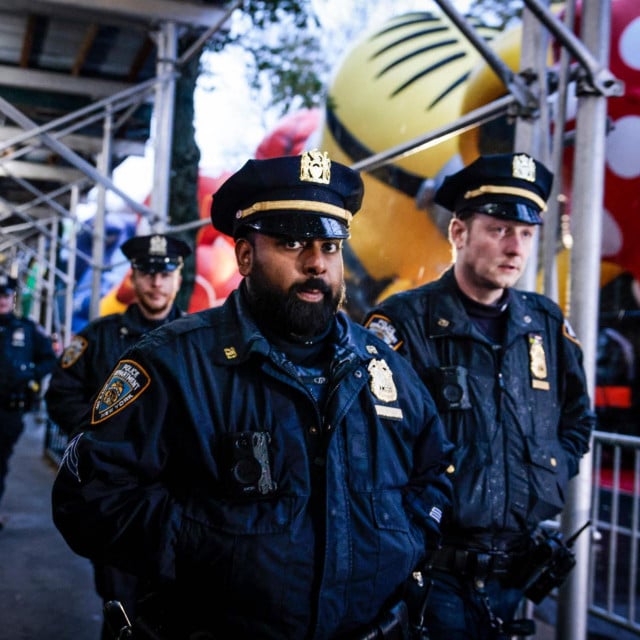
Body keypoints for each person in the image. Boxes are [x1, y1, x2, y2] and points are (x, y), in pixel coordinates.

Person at [52, 150, 453, 640]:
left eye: (329, 246)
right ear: (244, 255)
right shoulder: (173, 363)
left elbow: (434, 469)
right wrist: (214, 548)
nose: (315, 263)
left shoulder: (380, 364)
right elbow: (89, 498)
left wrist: (406, 541)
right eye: (290, 243)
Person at [363, 152, 596, 639]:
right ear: (458, 233)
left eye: (527, 234)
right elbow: (373, 445)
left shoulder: (545, 324)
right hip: (434, 571)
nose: (516, 247)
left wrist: (546, 470)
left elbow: (577, 418)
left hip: (517, 569)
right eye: (499, 230)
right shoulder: (403, 324)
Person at [45, 232, 192, 638]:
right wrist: (103, 438)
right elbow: (62, 394)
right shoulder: (98, 336)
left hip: (179, 500)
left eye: (166, 273)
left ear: (179, 277)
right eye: (147, 272)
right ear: (134, 277)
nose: (157, 283)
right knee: (122, 610)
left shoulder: (201, 339)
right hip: (117, 501)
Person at [0, 272, 56, 529]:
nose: (1, 299)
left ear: (12, 298)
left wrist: (29, 375)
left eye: (5, 294)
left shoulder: (27, 328)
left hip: (9, 410)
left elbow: (49, 359)